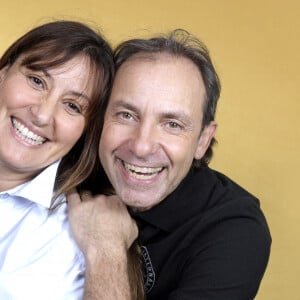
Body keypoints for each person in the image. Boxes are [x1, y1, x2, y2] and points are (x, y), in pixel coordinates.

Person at [68, 29, 272, 299]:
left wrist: (105, 250)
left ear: (202, 140)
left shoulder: (236, 232)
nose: (141, 146)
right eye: (126, 115)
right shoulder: (73, 165)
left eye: (172, 124)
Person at [0, 20, 138, 300]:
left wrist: (105, 251)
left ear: (86, 131)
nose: (42, 115)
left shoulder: (73, 237)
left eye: (73, 106)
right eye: (37, 81)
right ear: (2, 74)